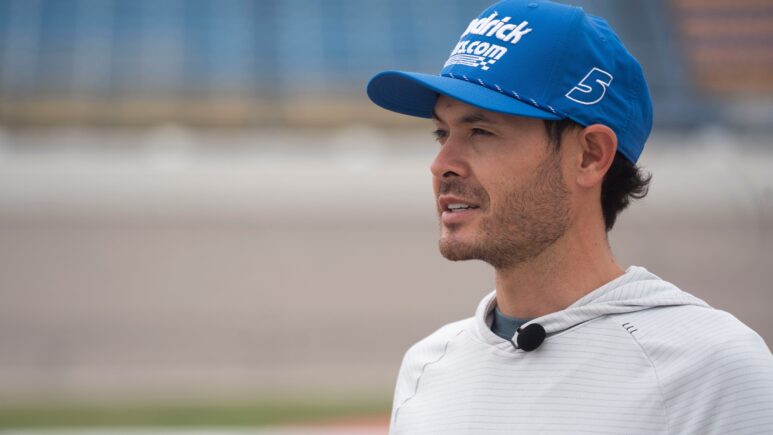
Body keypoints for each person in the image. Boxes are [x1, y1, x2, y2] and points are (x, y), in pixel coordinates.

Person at [366, 0, 773, 433]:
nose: (442, 164)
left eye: (481, 131)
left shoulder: (711, 368)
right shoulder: (427, 366)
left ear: (590, 156)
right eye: (442, 133)